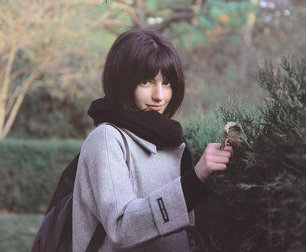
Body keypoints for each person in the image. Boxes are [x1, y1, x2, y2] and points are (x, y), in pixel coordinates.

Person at [72, 28, 233, 252]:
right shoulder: (107, 138)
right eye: (147, 82)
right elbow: (121, 227)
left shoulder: (169, 139)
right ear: (122, 82)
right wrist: (193, 182)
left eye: (166, 83)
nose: (159, 96)